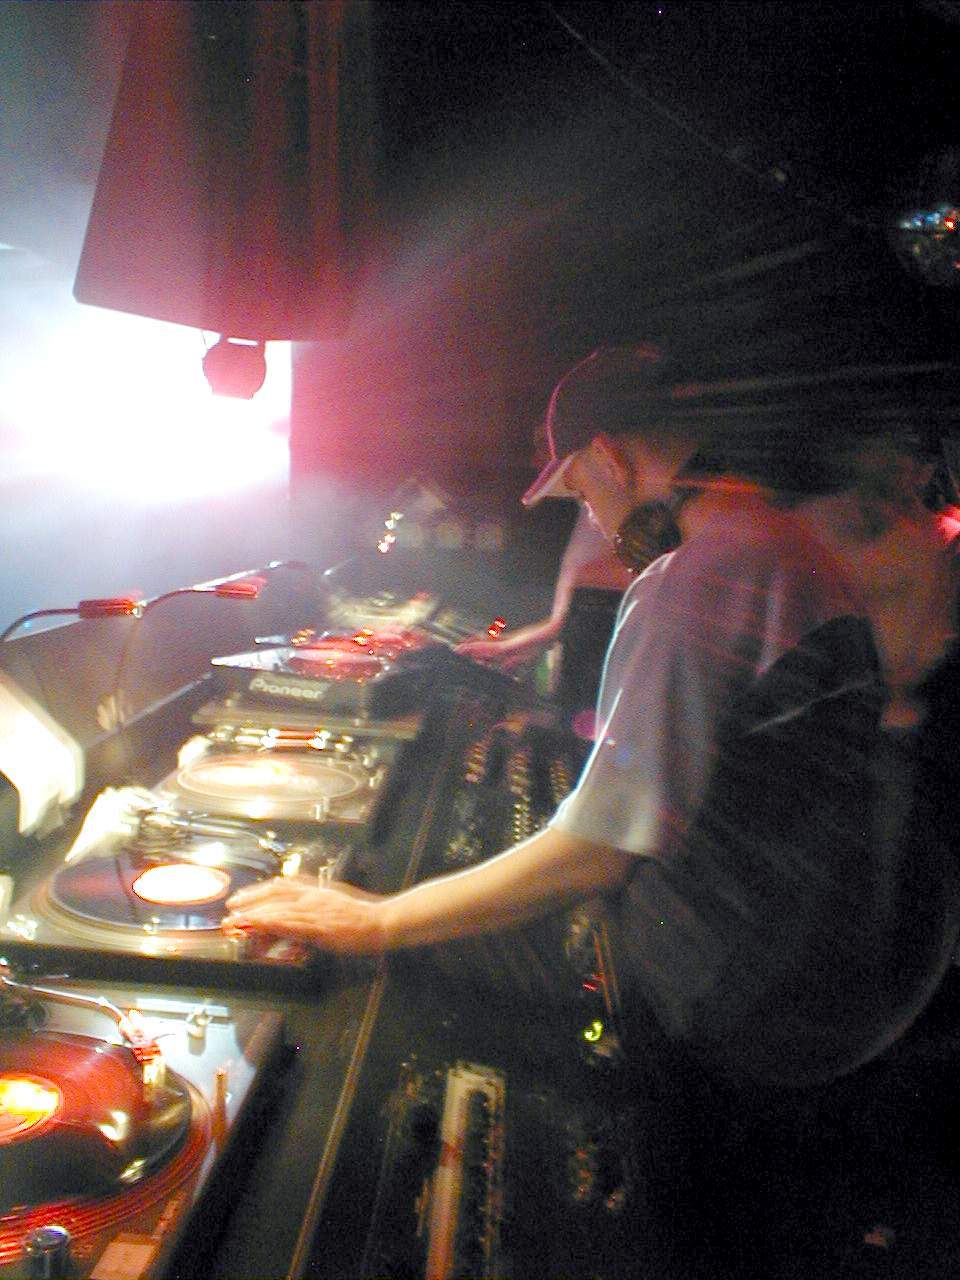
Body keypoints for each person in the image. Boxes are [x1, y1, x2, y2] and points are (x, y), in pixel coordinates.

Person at [223, 348, 960, 1271]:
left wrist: (377, 919)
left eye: (581, 493)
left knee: (383, 981)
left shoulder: (697, 577)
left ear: (610, 458)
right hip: (834, 947)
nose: (597, 524)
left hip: (745, 980)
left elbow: (600, 849)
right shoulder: (776, 539)